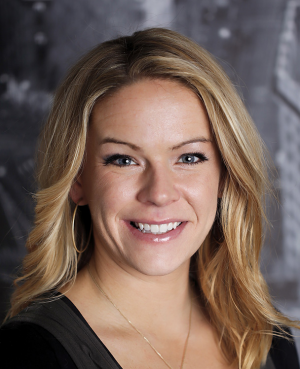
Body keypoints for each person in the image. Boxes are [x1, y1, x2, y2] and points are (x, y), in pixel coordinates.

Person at [0, 28, 299, 369]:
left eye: (188, 158)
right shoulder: (27, 355)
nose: (159, 193)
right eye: (124, 160)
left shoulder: (267, 340)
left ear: (225, 174)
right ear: (77, 179)